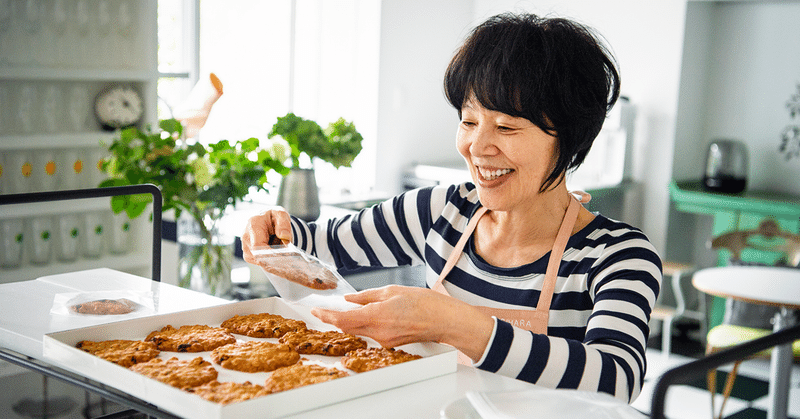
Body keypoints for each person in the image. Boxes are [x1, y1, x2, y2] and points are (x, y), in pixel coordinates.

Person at [242, 12, 661, 403]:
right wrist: (277, 234)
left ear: (569, 138)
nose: (478, 148)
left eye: (507, 127)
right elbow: (322, 247)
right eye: (469, 120)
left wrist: (452, 323)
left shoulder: (619, 256)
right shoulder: (442, 211)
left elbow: (617, 378)